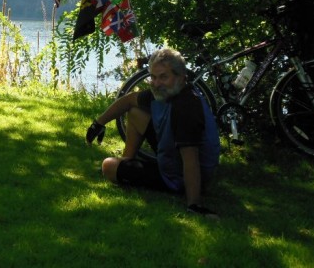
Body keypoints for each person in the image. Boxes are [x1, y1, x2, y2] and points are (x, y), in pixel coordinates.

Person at [86, 48, 220, 218]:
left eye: (163, 77)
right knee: (135, 113)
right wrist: (98, 123)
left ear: (181, 78)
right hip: (173, 156)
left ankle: (122, 167)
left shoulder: (186, 108)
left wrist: (194, 204)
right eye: (154, 77)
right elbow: (128, 100)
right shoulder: (169, 91)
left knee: (108, 166)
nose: (156, 83)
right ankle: (127, 161)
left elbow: (191, 160)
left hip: (179, 177)